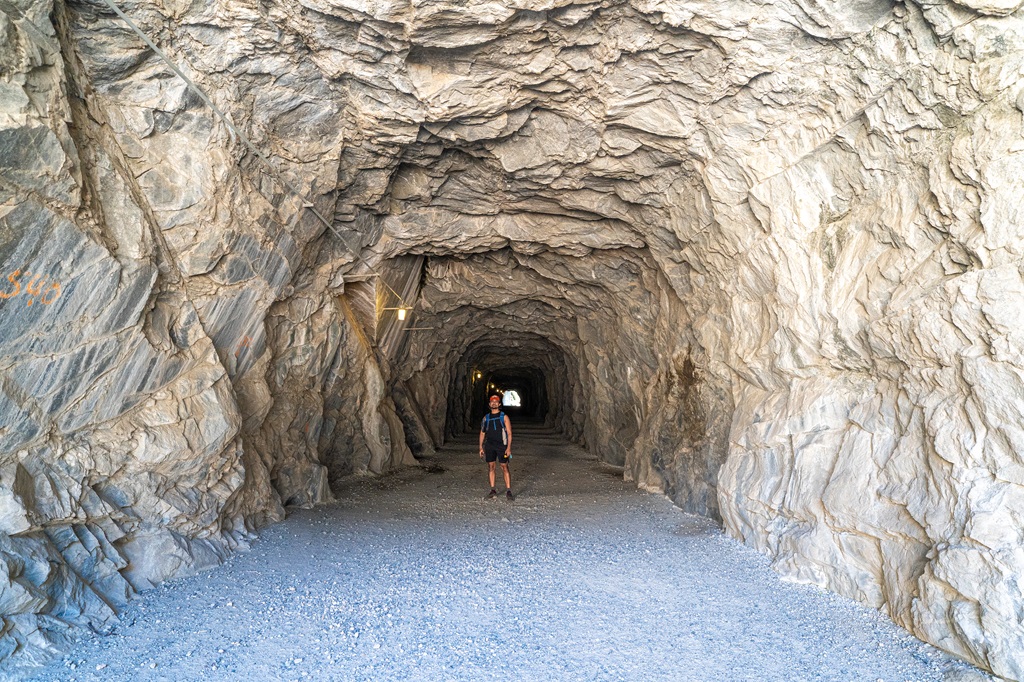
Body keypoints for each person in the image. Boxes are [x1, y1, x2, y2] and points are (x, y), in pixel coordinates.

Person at [479, 394, 513, 500]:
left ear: (499, 404)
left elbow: (509, 433)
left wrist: (508, 448)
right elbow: (482, 433)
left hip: (501, 445)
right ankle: (493, 489)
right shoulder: (486, 418)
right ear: (489, 404)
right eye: (492, 402)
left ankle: (508, 491)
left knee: (504, 467)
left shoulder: (504, 417)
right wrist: (480, 446)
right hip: (490, 445)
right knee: (491, 467)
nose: (494, 403)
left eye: (496, 402)